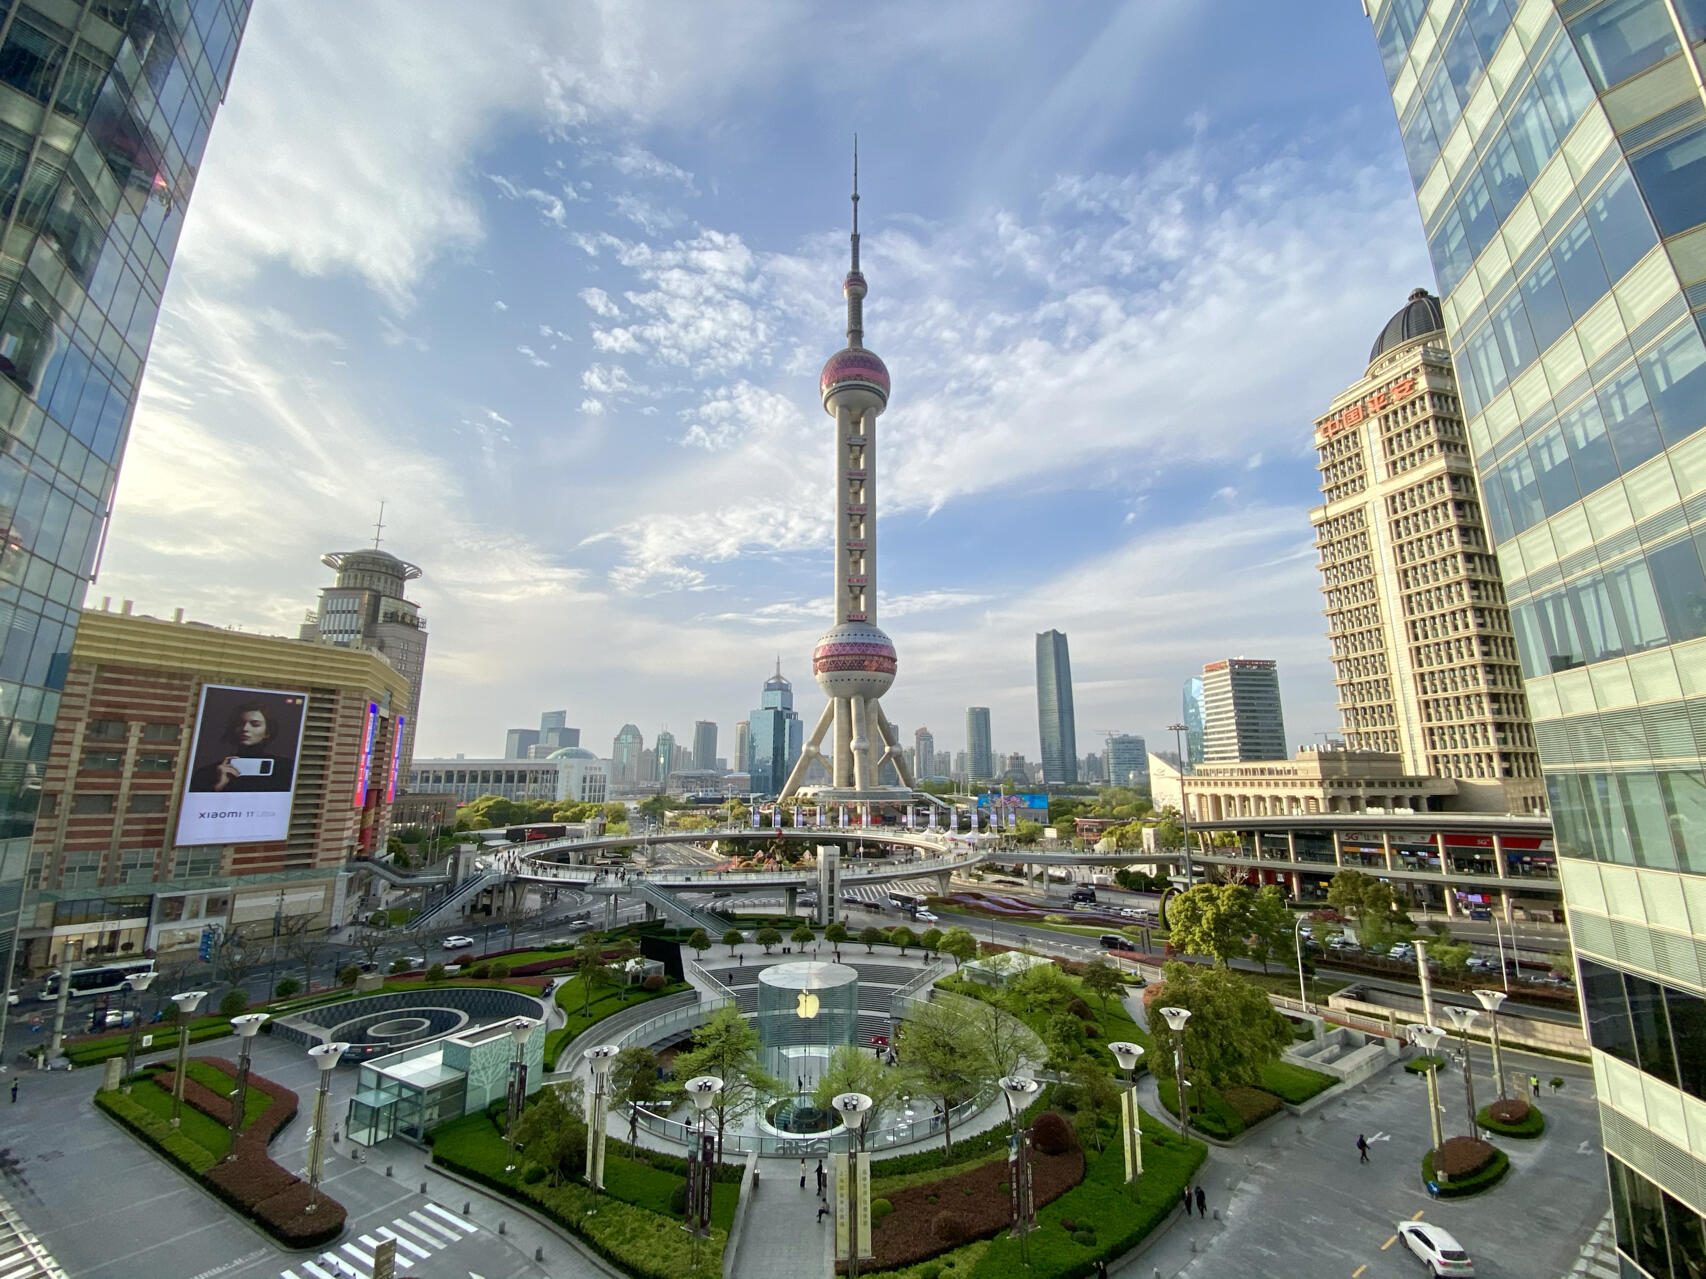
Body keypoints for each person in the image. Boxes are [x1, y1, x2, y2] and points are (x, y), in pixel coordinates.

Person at [188, 699, 296, 793]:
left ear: (267, 732)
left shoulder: (285, 768)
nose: (245, 729)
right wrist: (219, 785)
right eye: (240, 723)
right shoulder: (208, 772)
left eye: (255, 724)